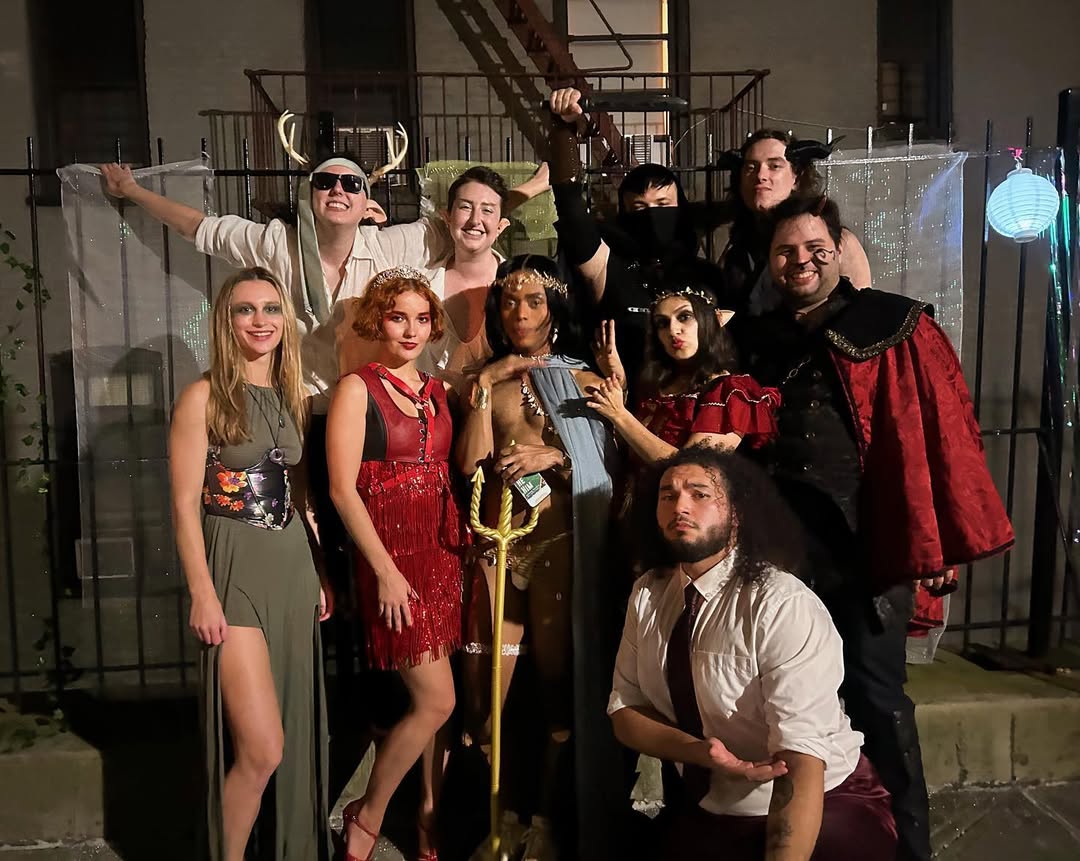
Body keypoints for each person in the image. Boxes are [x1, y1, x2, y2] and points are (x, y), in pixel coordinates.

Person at [743, 194, 1015, 861]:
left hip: (866, 547)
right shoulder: (755, 339)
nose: (801, 261)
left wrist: (933, 539)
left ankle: (909, 850)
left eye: (815, 248)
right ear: (769, 262)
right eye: (785, 251)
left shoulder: (892, 323)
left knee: (876, 698)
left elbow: (939, 436)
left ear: (839, 250)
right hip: (779, 557)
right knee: (788, 705)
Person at [610, 446, 898, 861]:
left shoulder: (780, 604)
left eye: (699, 494)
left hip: (826, 799)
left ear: (737, 514)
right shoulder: (649, 594)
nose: (680, 506)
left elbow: (801, 760)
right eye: (667, 495)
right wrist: (699, 752)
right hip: (715, 804)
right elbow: (625, 711)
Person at [457, 255, 623, 860]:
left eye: (533, 301)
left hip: (558, 547)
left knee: (558, 690)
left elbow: (608, 474)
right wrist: (484, 385)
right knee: (484, 699)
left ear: (555, 307)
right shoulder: (483, 381)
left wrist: (553, 457)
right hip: (497, 546)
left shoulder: (586, 381)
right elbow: (469, 464)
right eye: (508, 302)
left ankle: (547, 823)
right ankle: (497, 822)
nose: (520, 314)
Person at [169, 266, 331, 860]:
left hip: (292, 569)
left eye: (270, 308)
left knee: (290, 731)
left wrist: (320, 570)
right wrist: (201, 592)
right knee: (262, 749)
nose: (260, 320)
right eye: (245, 309)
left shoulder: (293, 397)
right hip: (232, 569)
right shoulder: (203, 396)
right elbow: (184, 505)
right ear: (225, 321)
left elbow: (299, 493)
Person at [326, 267, 466, 861]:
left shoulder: (439, 390)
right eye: (397, 317)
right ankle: (368, 815)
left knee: (439, 705)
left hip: (444, 554)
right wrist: (384, 571)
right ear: (377, 323)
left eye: (422, 318)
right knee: (437, 700)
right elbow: (341, 490)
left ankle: (429, 822)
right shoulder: (356, 389)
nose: (411, 329)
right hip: (393, 561)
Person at [544, 88, 725, 394]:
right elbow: (572, 211)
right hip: (621, 404)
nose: (652, 215)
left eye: (663, 205)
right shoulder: (608, 267)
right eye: (639, 208)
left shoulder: (708, 276)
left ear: (680, 207)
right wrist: (564, 129)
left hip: (697, 408)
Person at [585, 277, 779, 464]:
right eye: (662, 323)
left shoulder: (731, 392)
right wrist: (619, 384)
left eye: (684, 317)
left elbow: (690, 469)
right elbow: (628, 453)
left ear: (710, 321)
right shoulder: (658, 385)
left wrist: (620, 415)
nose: (673, 330)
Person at [717, 129, 872, 317]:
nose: (760, 176)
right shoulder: (738, 249)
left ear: (796, 179)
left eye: (774, 166)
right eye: (751, 167)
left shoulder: (837, 241)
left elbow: (862, 313)